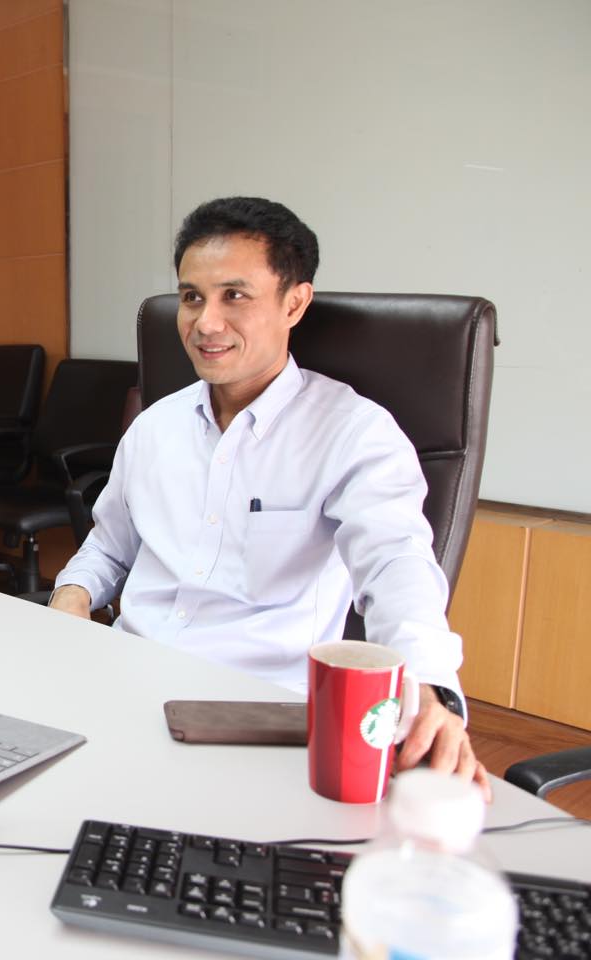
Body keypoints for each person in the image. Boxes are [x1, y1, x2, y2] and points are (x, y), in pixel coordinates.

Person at [49, 197, 489, 797]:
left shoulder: (353, 432)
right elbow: (110, 545)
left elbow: (396, 563)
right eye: (192, 297)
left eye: (234, 295)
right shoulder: (154, 427)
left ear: (294, 303)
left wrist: (431, 688)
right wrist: (72, 595)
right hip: (124, 689)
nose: (205, 323)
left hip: (257, 718)